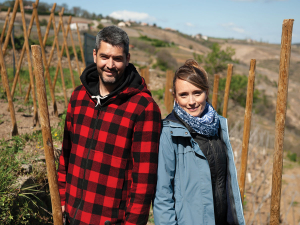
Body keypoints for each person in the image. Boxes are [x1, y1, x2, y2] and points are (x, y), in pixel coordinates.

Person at [57, 25, 161, 225]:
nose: (110, 65)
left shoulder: (143, 108)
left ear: (127, 59)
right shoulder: (79, 96)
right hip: (72, 215)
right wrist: (62, 197)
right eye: (105, 57)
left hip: (110, 219)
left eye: (118, 58)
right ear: (95, 55)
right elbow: (66, 155)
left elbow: (144, 181)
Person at [153, 59, 245, 225]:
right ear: (175, 96)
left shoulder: (218, 126)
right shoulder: (169, 133)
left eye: (197, 92)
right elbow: (162, 196)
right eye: (183, 95)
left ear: (207, 92)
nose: (191, 101)